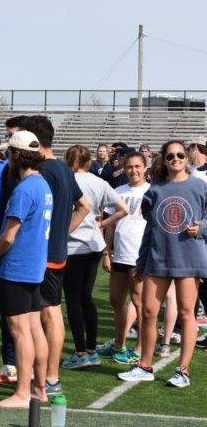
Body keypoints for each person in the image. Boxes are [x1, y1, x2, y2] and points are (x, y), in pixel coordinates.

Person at [119, 140, 207, 387]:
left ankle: (183, 370)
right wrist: (140, 260)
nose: (176, 159)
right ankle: (145, 365)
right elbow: (150, 228)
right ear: (164, 160)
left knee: (187, 313)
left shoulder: (200, 186)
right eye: (171, 156)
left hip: (188, 258)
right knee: (148, 311)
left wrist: (202, 228)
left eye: (180, 155)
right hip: (158, 258)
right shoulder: (155, 189)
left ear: (187, 158)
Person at [23, 115, 89, 396]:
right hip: (58, 251)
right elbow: (83, 206)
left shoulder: (45, 172)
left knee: (43, 317)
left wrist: (54, 234)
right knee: (53, 314)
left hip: (43, 255)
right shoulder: (63, 168)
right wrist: (62, 232)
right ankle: (50, 377)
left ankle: (47, 378)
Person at [0, 131, 52, 409]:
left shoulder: (25, 189)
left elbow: (9, 235)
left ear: (16, 155)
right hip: (34, 265)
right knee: (34, 328)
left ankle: (23, 392)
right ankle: (39, 388)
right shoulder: (42, 185)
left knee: (20, 331)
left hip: (17, 267)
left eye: (9, 154)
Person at [61, 145, 128, 370]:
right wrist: (101, 224)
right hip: (93, 244)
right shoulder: (98, 182)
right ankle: (91, 350)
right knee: (86, 297)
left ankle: (81, 352)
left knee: (73, 299)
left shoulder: (66, 180)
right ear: (89, 161)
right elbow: (122, 209)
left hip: (72, 245)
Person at [97, 152, 149, 363]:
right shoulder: (118, 191)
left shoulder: (152, 191)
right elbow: (110, 225)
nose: (133, 171)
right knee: (116, 300)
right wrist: (106, 252)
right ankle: (118, 344)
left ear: (145, 167)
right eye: (129, 167)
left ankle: (139, 348)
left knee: (139, 302)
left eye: (137, 166)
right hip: (120, 254)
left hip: (139, 255)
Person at [0, 114, 30, 383]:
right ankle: (15, 366)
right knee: (21, 318)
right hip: (22, 248)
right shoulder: (10, 170)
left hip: (20, 251)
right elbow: (3, 206)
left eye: (11, 135)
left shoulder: (30, 178)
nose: (6, 141)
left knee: (18, 319)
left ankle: (23, 370)